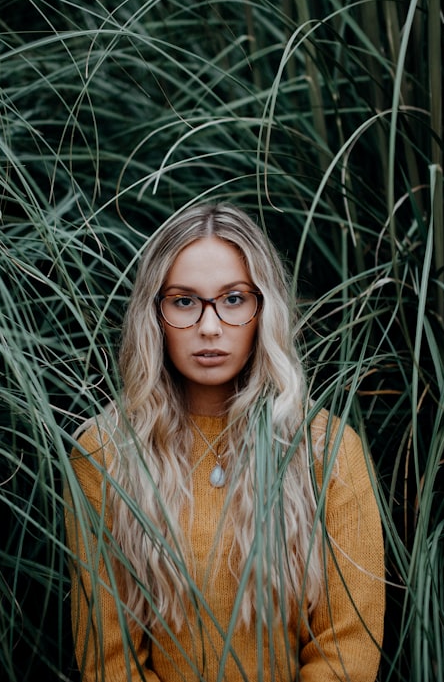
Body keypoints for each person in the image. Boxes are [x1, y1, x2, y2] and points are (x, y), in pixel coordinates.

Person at [65, 203, 385, 682]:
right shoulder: (105, 454)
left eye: (233, 299)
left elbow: (349, 651)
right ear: (154, 314)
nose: (209, 327)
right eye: (184, 301)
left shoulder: (327, 451)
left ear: (264, 309)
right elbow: (112, 664)